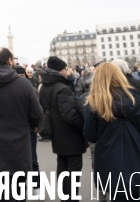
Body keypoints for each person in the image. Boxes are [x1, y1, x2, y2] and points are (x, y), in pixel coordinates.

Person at [83, 62, 140, 202]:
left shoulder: (95, 102)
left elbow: (89, 134)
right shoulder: (134, 98)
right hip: (136, 156)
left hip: (109, 157)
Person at [0, 48, 42, 199]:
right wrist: (31, 124)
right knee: (17, 191)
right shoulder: (23, 84)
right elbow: (37, 113)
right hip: (19, 146)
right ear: (10, 61)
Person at [39, 56, 86, 201]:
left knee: (62, 166)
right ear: (60, 70)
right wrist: (84, 126)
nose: (67, 71)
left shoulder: (45, 86)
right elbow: (69, 115)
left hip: (57, 134)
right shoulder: (62, 88)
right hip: (70, 135)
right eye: (65, 68)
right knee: (73, 169)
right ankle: (71, 197)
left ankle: (65, 196)